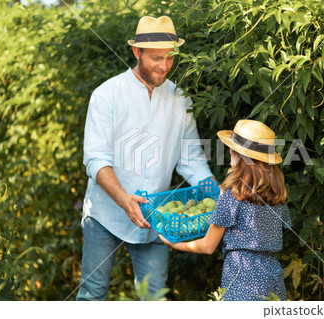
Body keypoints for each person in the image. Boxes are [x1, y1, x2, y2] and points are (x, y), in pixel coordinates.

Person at [77, 16, 215, 301]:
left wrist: (216, 189)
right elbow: (96, 159)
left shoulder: (180, 99)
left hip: (157, 219)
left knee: (155, 299)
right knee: (92, 293)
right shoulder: (106, 95)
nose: (164, 66)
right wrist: (124, 200)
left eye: (169, 58)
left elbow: (191, 159)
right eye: (155, 58)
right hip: (105, 215)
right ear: (136, 52)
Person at [159, 119, 292, 301]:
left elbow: (207, 246)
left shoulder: (232, 196)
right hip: (272, 276)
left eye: (230, 150)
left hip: (241, 277)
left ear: (238, 155)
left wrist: (173, 244)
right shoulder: (277, 195)